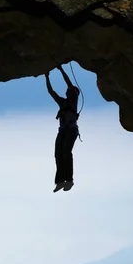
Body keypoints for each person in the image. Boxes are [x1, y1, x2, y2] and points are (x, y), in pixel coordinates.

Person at [46, 65, 80, 193]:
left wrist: (61, 70)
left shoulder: (73, 99)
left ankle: (69, 180)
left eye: (71, 90)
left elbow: (69, 84)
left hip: (71, 130)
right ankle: (60, 181)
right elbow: (51, 92)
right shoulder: (62, 102)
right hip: (63, 131)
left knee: (66, 152)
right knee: (58, 154)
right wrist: (47, 77)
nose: (69, 90)